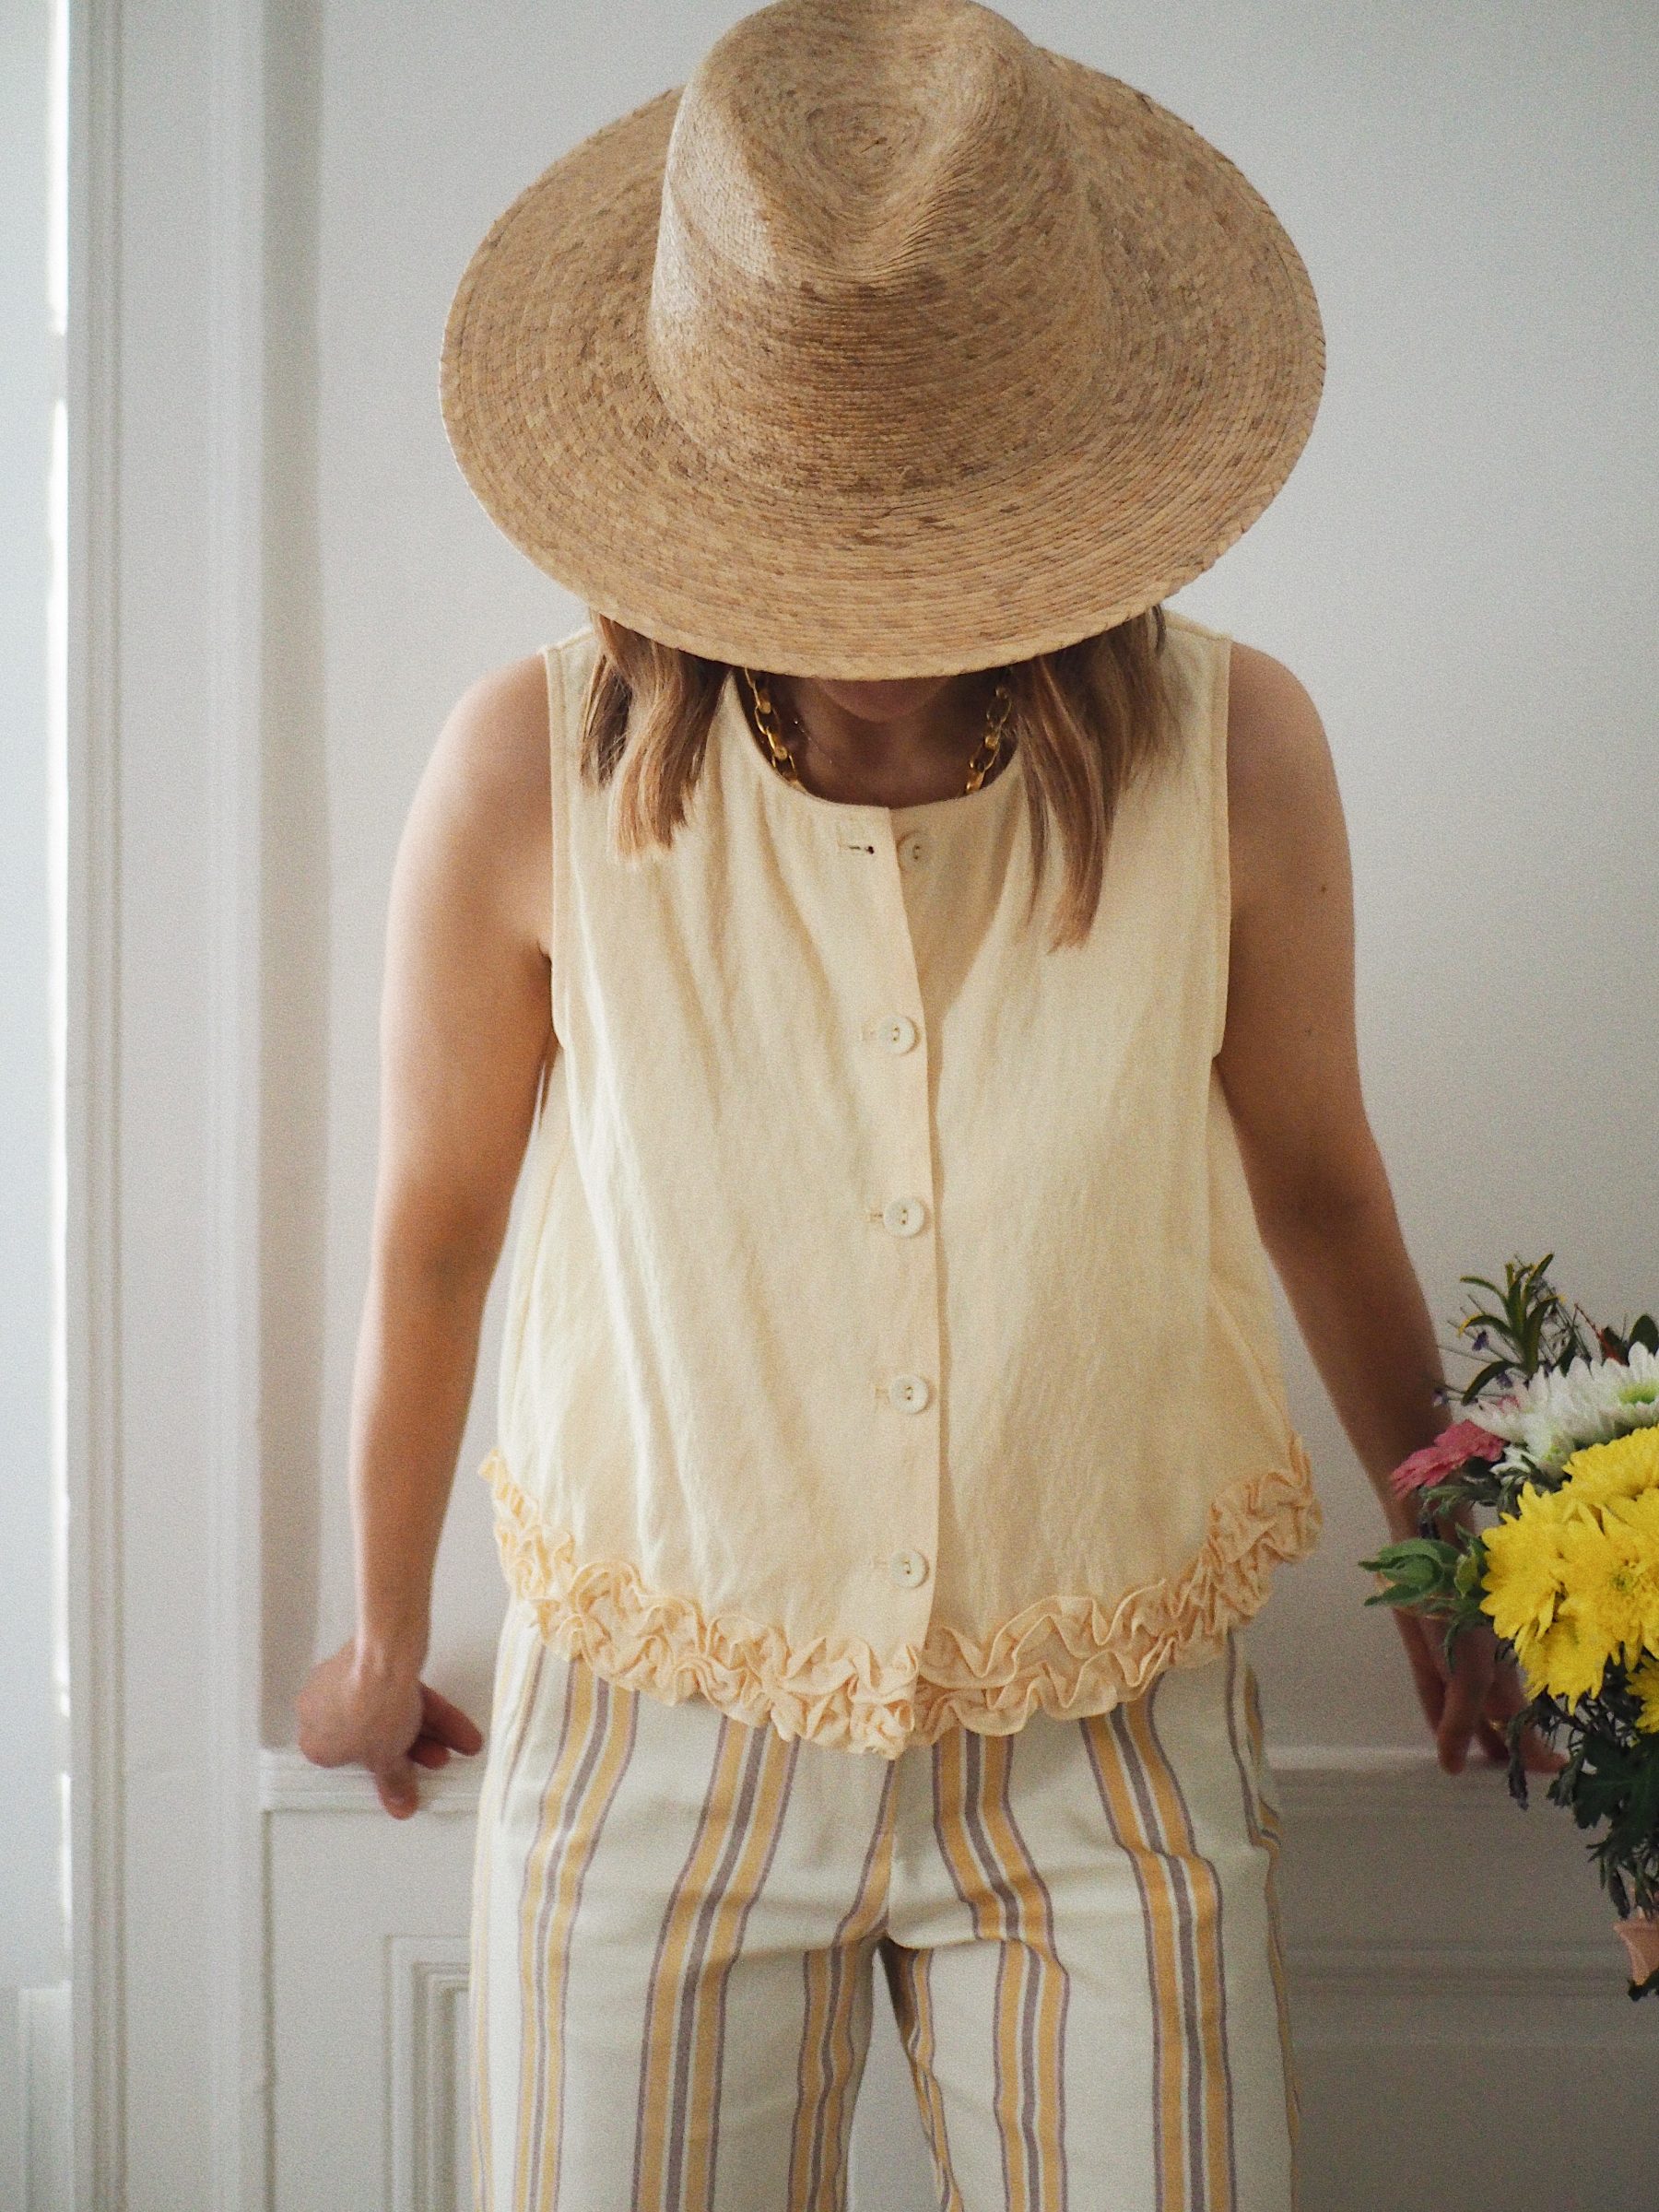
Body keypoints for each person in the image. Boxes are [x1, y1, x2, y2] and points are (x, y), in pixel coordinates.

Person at [296, 3, 1564, 2206]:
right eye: (811, 533)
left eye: (931, 531)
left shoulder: (1235, 749)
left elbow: (1320, 1181)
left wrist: (1443, 1545)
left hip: (1106, 1735)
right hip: (658, 1734)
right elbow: (436, 1228)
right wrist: (383, 1632)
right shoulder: (531, 767)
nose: (871, 612)